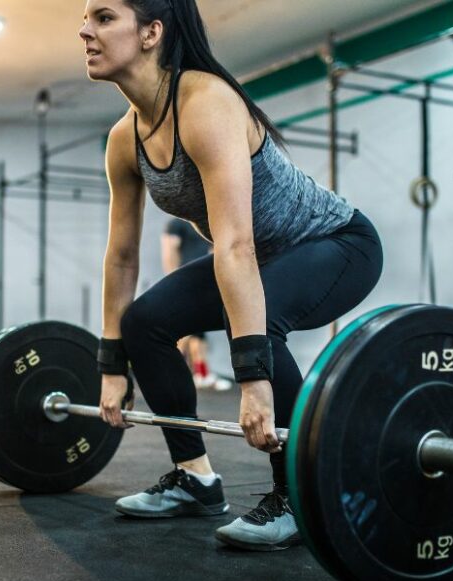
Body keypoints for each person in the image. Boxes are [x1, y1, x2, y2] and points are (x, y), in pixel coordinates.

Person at [81, 0, 384, 551]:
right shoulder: (124, 139)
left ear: (151, 33)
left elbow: (236, 245)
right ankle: (195, 478)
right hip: (256, 257)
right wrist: (111, 365)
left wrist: (253, 380)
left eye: (103, 17)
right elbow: (121, 257)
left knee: (252, 316)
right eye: (87, 18)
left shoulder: (206, 102)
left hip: (337, 243)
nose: (85, 30)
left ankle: (299, 495)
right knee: (145, 321)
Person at [161, 218, 229, 390]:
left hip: (203, 279)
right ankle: (169, 370)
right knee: (189, 329)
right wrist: (173, 279)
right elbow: (169, 250)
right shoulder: (176, 224)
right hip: (186, 280)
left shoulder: (204, 222)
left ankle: (201, 373)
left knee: (198, 333)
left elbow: (214, 249)